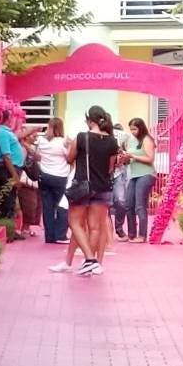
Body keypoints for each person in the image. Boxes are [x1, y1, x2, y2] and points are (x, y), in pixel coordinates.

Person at [65, 107, 119, 274]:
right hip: (103, 186)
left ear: (90, 120)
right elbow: (111, 168)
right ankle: (91, 263)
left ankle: (90, 259)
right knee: (95, 227)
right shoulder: (112, 141)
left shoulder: (82, 137)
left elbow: (69, 158)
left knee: (75, 223)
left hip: (83, 186)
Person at [0, 113, 27, 237]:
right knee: (7, 199)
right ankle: (7, 230)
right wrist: (14, 176)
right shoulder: (2, 132)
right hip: (7, 169)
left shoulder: (6, 132)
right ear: (8, 119)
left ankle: (8, 229)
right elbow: (6, 155)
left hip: (11, 168)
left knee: (9, 198)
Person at [118, 116, 158, 241]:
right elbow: (130, 161)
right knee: (128, 204)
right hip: (134, 175)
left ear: (141, 128)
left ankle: (142, 235)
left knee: (139, 205)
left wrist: (133, 156)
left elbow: (150, 159)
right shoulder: (130, 140)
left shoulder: (147, 139)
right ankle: (131, 234)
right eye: (131, 129)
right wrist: (124, 158)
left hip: (146, 174)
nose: (133, 132)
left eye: (135, 129)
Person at [35, 117, 73, 247]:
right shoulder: (62, 142)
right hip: (60, 177)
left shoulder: (41, 141)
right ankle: (60, 234)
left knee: (47, 207)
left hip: (44, 176)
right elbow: (69, 158)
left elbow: (37, 156)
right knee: (63, 206)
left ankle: (49, 236)